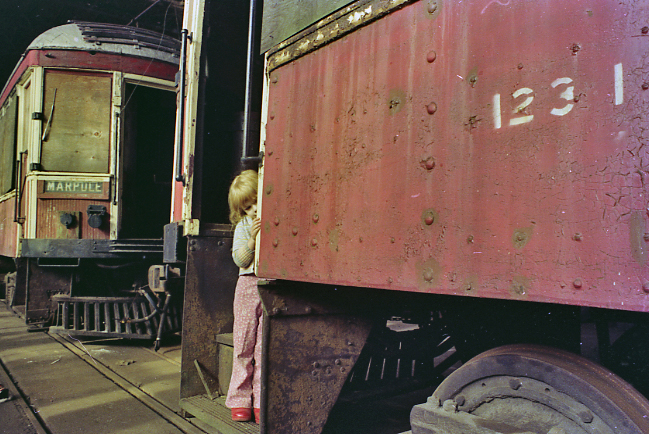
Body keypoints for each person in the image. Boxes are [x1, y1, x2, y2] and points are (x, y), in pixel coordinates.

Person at [225, 169, 263, 424]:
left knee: (263, 348)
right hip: (248, 285)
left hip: (270, 285)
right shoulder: (244, 226)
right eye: (248, 207)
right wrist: (252, 240)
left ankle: (260, 401)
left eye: (257, 201)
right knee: (243, 344)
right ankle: (239, 400)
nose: (254, 209)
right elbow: (239, 259)